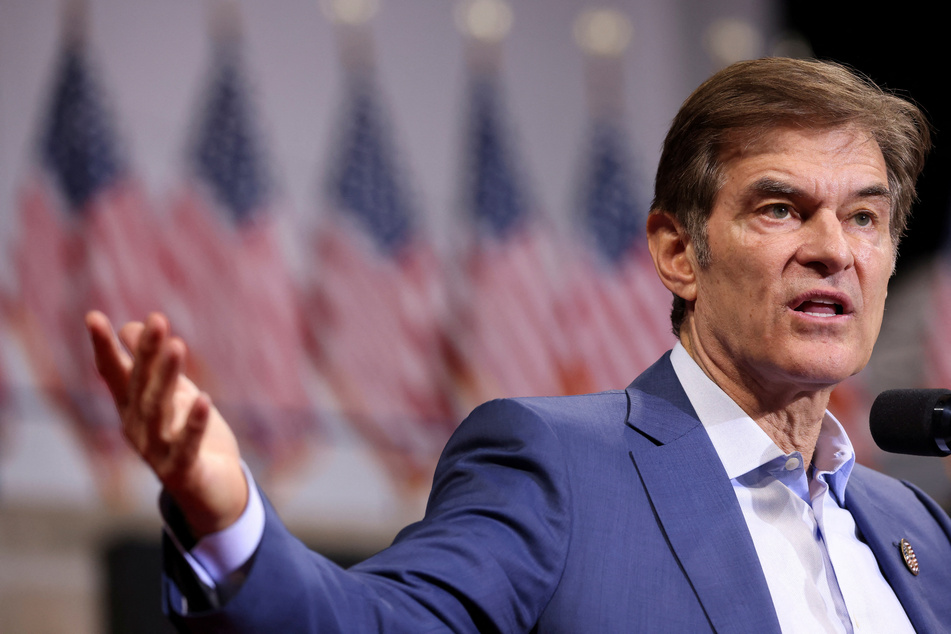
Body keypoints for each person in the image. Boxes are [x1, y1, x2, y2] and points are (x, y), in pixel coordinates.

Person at [86, 57, 951, 632]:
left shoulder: (911, 529)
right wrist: (230, 520)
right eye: (780, 209)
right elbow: (369, 623)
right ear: (677, 252)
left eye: (864, 217)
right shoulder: (558, 469)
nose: (834, 249)